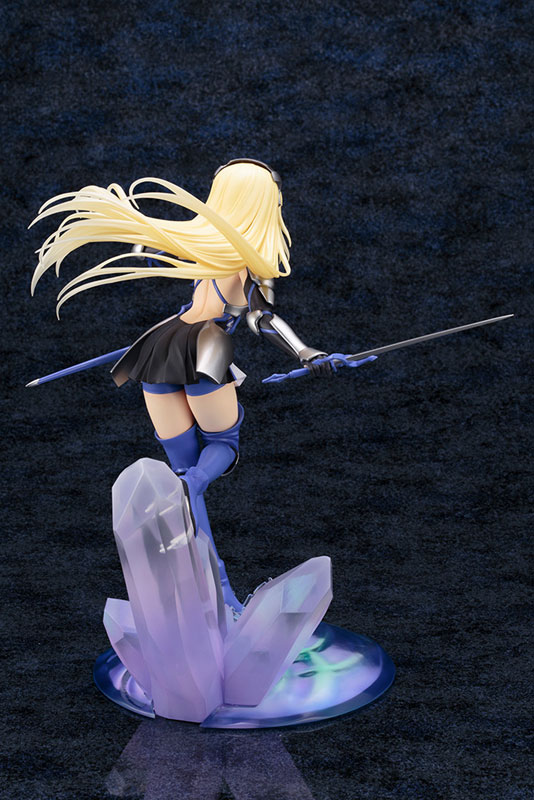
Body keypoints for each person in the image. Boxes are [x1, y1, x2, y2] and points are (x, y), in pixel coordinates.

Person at [30, 159, 332, 610]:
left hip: (160, 345)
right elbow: (260, 318)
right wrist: (305, 351)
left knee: (183, 474)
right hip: (205, 347)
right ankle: (196, 499)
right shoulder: (250, 261)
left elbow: (162, 265)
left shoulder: (202, 249)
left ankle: (216, 588)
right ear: (263, 203)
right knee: (222, 446)